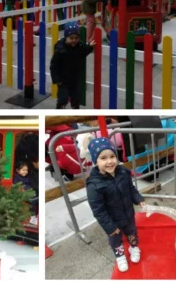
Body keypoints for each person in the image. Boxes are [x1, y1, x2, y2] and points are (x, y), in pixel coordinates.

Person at [85, 137, 146, 273]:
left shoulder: (123, 173)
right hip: (112, 221)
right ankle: (120, 256)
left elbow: (131, 189)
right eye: (103, 158)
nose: (109, 161)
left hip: (128, 214)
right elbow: (98, 210)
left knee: (132, 232)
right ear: (96, 161)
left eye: (112, 156)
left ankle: (134, 247)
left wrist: (138, 199)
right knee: (116, 240)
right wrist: (110, 227)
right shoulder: (94, 185)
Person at [50, 23, 95, 109]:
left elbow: (84, 51)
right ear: (66, 37)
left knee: (76, 98)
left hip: (74, 79)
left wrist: (90, 47)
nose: (74, 40)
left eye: (76, 38)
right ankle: (59, 109)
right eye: (71, 38)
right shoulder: (60, 49)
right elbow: (53, 65)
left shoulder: (79, 46)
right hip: (62, 80)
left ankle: (75, 109)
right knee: (63, 98)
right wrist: (56, 79)